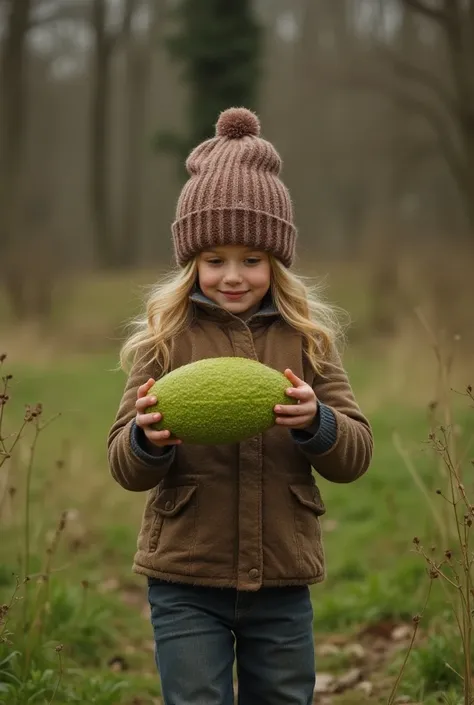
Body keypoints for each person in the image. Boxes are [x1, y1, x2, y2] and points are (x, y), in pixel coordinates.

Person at [107, 107, 373, 705]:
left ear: (276, 263)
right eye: (214, 259)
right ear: (190, 262)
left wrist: (317, 423)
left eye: (252, 260)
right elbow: (123, 465)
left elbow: (356, 452)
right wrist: (146, 439)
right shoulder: (164, 342)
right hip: (184, 577)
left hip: (282, 579)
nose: (233, 276)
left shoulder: (309, 342)